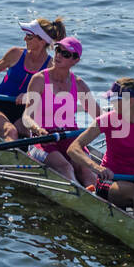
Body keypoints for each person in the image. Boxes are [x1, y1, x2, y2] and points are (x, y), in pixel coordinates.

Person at [69, 77, 134, 226]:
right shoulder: (108, 119)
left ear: (129, 101)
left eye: (113, 98)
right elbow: (73, 148)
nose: (110, 102)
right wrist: (97, 168)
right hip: (110, 182)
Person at [20, 36, 99, 186]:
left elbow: (99, 117)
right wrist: (37, 129)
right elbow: (26, 117)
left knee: (87, 170)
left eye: (66, 54)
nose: (59, 55)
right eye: (58, 50)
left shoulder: (79, 84)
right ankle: (80, 197)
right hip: (43, 139)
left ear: (75, 60)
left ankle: (95, 196)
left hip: (70, 137)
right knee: (66, 167)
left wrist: (133, 114)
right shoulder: (40, 79)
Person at [0, 18, 66, 140]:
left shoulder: (50, 66)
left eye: (29, 36)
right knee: (11, 131)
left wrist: (30, 96)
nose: (24, 39)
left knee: (36, 134)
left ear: (42, 41)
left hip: (24, 112)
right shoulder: (15, 54)